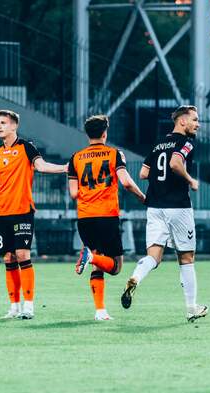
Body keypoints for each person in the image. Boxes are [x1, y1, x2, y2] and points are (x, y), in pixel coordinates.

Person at [121, 105, 208, 323]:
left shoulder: (159, 144)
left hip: (155, 207)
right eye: (194, 120)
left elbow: (143, 173)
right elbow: (175, 163)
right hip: (178, 207)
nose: (197, 124)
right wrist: (190, 180)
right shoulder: (186, 143)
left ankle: (135, 278)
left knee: (153, 256)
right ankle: (191, 308)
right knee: (186, 258)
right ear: (182, 121)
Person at [0, 109, 68, 319]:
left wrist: (65, 168)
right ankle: (14, 307)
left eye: (3, 122)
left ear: (14, 126)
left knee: (22, 255)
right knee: (8, 258)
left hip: (22, 211)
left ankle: (28, 306)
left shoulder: (27, 147)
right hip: (3, 213)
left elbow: (42, 166)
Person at [68, 114, 145, 321]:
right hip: (106, 215)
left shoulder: (75, 157)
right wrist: (142, 197)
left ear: (87, 134)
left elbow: (73, 193)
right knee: (116, 267)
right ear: (105, 133)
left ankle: (100, 311)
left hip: (85, 217)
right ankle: (90, 257)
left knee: (98, 263)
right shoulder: (114, 154)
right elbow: (126, 183)